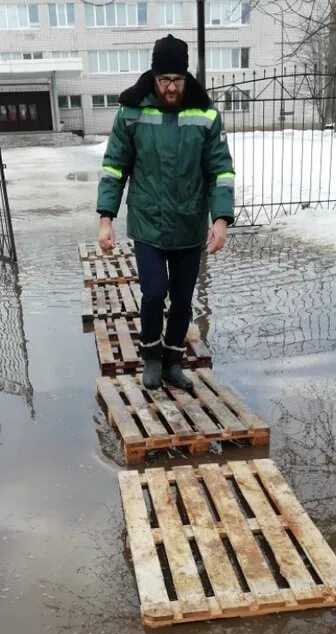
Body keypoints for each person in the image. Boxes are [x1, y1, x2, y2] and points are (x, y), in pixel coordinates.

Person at [96, 34, 235, 391]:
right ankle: (152, 357)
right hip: (148, 224)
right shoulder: (132, 111)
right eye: (164, 80)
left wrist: (220, 219)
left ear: (186, 79)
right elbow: (114, 166)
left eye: (177, 80)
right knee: (155, 293)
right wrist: (106, 217)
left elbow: (219, 169)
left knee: (183, 300)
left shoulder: (205, 114)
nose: (170, 87)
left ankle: (174, 361)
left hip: (190, 225)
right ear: (154, 76)